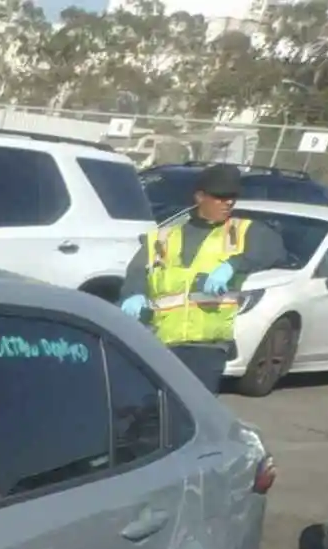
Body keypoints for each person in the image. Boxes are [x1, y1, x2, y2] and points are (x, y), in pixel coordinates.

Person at [118, 162, 285, 394]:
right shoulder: (164, 236)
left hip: (206, 347)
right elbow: (138, 270)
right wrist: (134, 293)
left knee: (196, 414)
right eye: (220, 196)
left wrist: (232, 264)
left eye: (232, 197)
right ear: (200, 197)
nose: (228, 202)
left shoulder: (243, 231)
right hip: (161, 342)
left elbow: (274, 249)